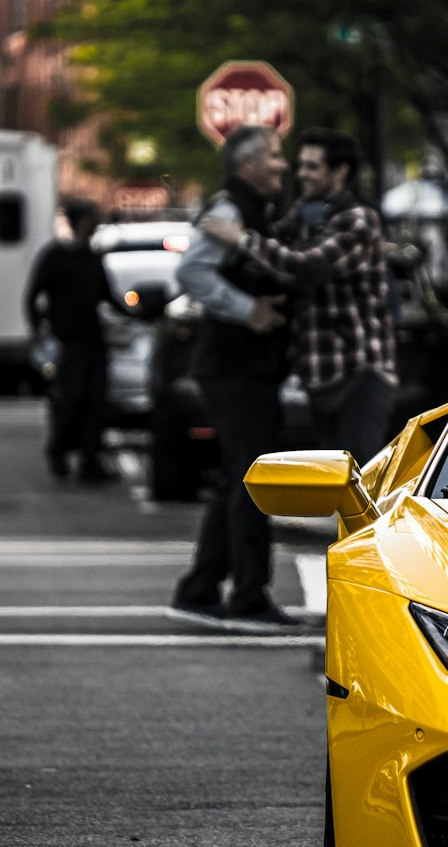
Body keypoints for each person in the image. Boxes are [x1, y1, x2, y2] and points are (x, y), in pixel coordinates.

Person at [169, 123, 301, 631]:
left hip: (243, 367)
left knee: (235, 478)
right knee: (250, 479)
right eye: (274, 156)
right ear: (247, 164)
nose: (282, 165)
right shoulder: (229, 211)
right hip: (234, 367)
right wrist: (248, 310)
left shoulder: (252, 211)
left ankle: (201, 586)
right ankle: (247, 594)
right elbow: (191, 273)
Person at [202, 127, 398, 466]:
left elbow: (308, 266)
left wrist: (241, 239)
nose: (300, 173)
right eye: (300, 165)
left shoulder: (359, 219)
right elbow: (274, 252)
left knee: (358, 487)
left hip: (359, 375)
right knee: (332, 487)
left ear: (339, 172)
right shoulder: (307, 216)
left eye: (312, 167)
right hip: (320, 378)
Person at [24, 197, 119, 482]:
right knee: (71, 399)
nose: (95, 225)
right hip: (68, 341)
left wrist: (141, 311)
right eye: (91, 219)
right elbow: (33, 295)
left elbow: (108, 296)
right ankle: (59, 451)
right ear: (80, 222)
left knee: (96, 402)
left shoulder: (93, 258)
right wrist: (38, 332)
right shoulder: (55, 256)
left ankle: (89, 460)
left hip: (93, 340)